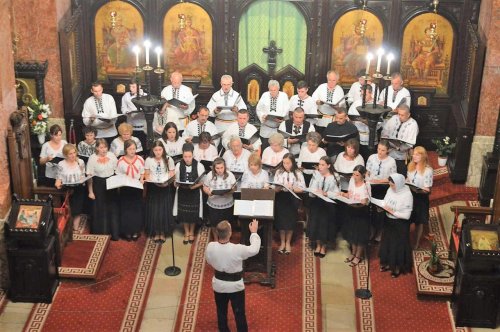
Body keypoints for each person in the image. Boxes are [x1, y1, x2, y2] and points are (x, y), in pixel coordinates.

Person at [205, 219, 261, 332]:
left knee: (221, 312)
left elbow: (209, 261)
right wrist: (254, 232)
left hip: (218, 285)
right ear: (230, 233)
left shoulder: (210, 246)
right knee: (239, 313)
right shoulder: (237, 249)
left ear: (217, 233)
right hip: (235, 287)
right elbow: (254, 249)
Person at [378, 173, 414, 278]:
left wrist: (392, 212)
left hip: (400, 224)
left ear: (398, 184)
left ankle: (397, 267)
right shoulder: (390, 189)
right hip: (389, 221)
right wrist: (381, 207)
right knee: (387, 243)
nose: (391, 187)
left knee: (397, 245)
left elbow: (407, 215)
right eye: (390, 184)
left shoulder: (407, 195)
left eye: (393, 185)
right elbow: (385, 202)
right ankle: (388, 263)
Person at [307, 156, 340, 258]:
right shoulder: (316, 174)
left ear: (328, 166)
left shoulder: (335, 176)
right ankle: (317, 245)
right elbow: (311, 189)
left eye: (322, 165)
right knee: (316, 223)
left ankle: (324, 246)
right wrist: (315, 191)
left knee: (325, 225)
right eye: (319, 164)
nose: (320, 167)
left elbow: (337, 193)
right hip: (316, 203)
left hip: (328, 204)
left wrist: (326, 193)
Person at [338, 165, 371, 267]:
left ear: (363, 175)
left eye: (357, 175)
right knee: (352, 232)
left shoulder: (366, 185)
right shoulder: (352, 180)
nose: (354, 176)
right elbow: (350, 194)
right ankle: (353, 253)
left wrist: (356, 203)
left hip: (361, 212)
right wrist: (342, 195)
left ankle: (358, 255)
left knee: (359, 234)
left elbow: (365, 202)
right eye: (353, 174)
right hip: (351, 210)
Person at [86, 138, 119, 239]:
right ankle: (101, 233)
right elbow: (90, 177)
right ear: (97, 148)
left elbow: (117, 170)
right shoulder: (92, 158)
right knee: (100, 208)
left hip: (111, 183)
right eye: (101, 147)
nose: (104, 150)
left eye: (105, 147)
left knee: (112, 207)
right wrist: (90, 192)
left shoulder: (112, 156)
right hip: (98, 185)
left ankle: (114, 232)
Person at [273, 153, 305, 254]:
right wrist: (278, 187)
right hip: (281, 197)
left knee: (290, 221)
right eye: (284, 163)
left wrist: (292, 188)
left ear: (292, 163)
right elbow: (275, 187)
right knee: (281, 221)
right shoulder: (279, 171)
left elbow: (302, 189)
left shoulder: (298, 173)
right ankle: (282, 242)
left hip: (292, 198)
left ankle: (288, 242)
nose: (286, 165)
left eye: (288, 163)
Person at [144, 141, 175, 244]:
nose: (158, 152)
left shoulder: (168, 159)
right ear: (152, 150)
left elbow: (172, 174)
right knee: (155, 210)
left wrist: (166, 182)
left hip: (165, 187)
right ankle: (156, 232)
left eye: (160, 150)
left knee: (163, 210)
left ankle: (163, 232)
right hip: (153, 188)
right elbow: (147, 174)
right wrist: (153, 181)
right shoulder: (148, 160)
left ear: (163, 150)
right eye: (156, 150)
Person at [365, 140, 397, 242]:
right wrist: (367, 180)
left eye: (383, 150)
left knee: (379, 212)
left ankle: (379, 232)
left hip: (383, 188)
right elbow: (367, 172)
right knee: (370, 210)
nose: (380, 152)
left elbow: (392, 178)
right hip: (371, 186)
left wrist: (379, 180)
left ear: (387, 150)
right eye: (378, 149)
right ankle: (371, 231)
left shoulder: (391, 161)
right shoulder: (371, 157)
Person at [174, 143, 205, 244]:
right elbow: (176, 181)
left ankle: (192, 231)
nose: (187, 159)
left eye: (189, 156)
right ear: (182, 155)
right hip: (182, 192)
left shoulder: (199, 165)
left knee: (192, 213)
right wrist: (176, 184)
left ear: (193, 155)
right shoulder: (178, 165)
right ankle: (186, 232)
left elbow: (202, 182)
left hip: (194, 192)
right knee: (184, 213)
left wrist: (193, 186)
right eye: (185, 156)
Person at [116, 139, 145, 241]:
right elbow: (118, 174)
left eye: (134, 149)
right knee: (126, 209)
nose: (132, 151)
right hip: (126, 188)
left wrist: (141, 179)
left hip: (137, 187)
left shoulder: (140, 159)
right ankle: (127, 231)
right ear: (125, 150)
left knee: (136, 209)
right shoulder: (120, 161)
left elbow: (142, 172)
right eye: (130, 149)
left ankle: (136, 230)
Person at [203, 158, 237, 241]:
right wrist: (207, 192)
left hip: (227, 204)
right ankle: (215, 239)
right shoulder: (210, 175)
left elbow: (235, 187)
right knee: (214, 223)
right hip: (214, 204)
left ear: (224, 167)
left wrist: (231, 190)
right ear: (214, 168)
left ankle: (226, 239)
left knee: (227, 223)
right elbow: (205, 187)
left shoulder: (230, 175)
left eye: (221, 168)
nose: (219, 170)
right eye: (217, 168)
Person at [55, 143, 87, 231]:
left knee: (77, 209)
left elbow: (83, 175)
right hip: (66, 188)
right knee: (68, 209)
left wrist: (84, 179)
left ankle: (75, 228)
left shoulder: (80, 162)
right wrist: (58, 184)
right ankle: (67, 227)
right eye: (70, 154)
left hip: (79, 188)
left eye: (74, 153)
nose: (73, 155)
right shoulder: (61, 164)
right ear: (65, 155)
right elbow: (58, 178)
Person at [380, 104, 419, 176]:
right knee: (387, 175)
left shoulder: (413, 124)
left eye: (402, 115)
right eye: (399, 114)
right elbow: (385, 131)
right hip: (389, 154)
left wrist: (397, 147)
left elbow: (409, 145)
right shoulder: (394, 118)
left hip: (401, 158)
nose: (400, 117)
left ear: (408, 114)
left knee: (399, 176)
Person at [406, 146, 433, 249]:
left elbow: (427, 189)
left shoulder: (428, 170)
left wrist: (418, 190)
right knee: (408, 218)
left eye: (417, 154)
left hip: (421, 198)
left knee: (419, 221)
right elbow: (408, 179)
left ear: (423, 156)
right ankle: (406, 239)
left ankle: (416, 242)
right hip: (410, 196)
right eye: (414, 154)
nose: (414, 156)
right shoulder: (411, 166)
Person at [348, 84, 382, 160]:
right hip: (357, 137)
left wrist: (365, 121)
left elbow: (379, 124)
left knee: (369, 158)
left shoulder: (377, 105)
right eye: (361, 94)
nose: (362, 96)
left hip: (371, 138)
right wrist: (351, 120)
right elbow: (350, 118)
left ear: (371, 93)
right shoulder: (356, 103)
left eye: (365, 94)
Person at [256, 80, 290, 150]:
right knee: (265, 148)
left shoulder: (284, 96)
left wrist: (281, 118)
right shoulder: (265, 95)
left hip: (279, 128)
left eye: (275, 90)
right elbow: (259, 109)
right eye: (271, 90)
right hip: (266, 128)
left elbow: (286, 110)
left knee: (278, 148)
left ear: (278, 89)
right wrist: (262, 116)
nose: (273, 92)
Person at [121, 79, 147, 149]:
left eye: (133, 87)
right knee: (131, 147)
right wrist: (126, 112)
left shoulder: (146, 96)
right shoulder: (126, 96)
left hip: (143, 127)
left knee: (143, 147)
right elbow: (123, 108)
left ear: (139, 86)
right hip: (131, 127)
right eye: (130, 86)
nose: (131, 89)